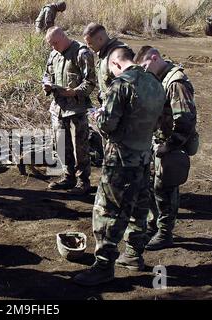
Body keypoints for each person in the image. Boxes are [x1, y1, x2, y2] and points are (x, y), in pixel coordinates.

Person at [73, 48, 165, 286]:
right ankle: (134, 254)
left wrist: (97, 118)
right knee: (138, 207)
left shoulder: (121, 84)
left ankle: (103, 266)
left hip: (121, 160)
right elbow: (162, 121)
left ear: (115, 63)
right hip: (144, 157)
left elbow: (109, 124)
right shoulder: (155, 84)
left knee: (107, 210)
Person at [134, 46, 198, 250]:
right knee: (153, 186)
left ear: (154, 58)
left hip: (170, 146)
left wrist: (168, 147)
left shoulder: (175, 82)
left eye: (144, 66)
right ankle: (153, 226)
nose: (143, 71)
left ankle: (165, 233)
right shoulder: (157, 78)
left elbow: (186, 120)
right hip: (157, 143)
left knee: (166, 189)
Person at [43, 27, 96, 195]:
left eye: (55, 43)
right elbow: (46, 74)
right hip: (58, 109)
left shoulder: (82, 53)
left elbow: (90, 82)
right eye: (50, 44)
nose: (53, 47)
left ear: (63, 37)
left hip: (76, 110)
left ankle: (83, 182)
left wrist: (74, 92)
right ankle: (68, 177)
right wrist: (46, 85)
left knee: (79, 147)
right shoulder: (53, 55)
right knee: (60, 145)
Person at [82, 23, 134, 105]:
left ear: (100, 39)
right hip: (109, 107)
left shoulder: (118, 54)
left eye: (90, 43)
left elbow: (129, 86)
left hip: (119, 110)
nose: (88, 46)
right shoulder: (104, 54)